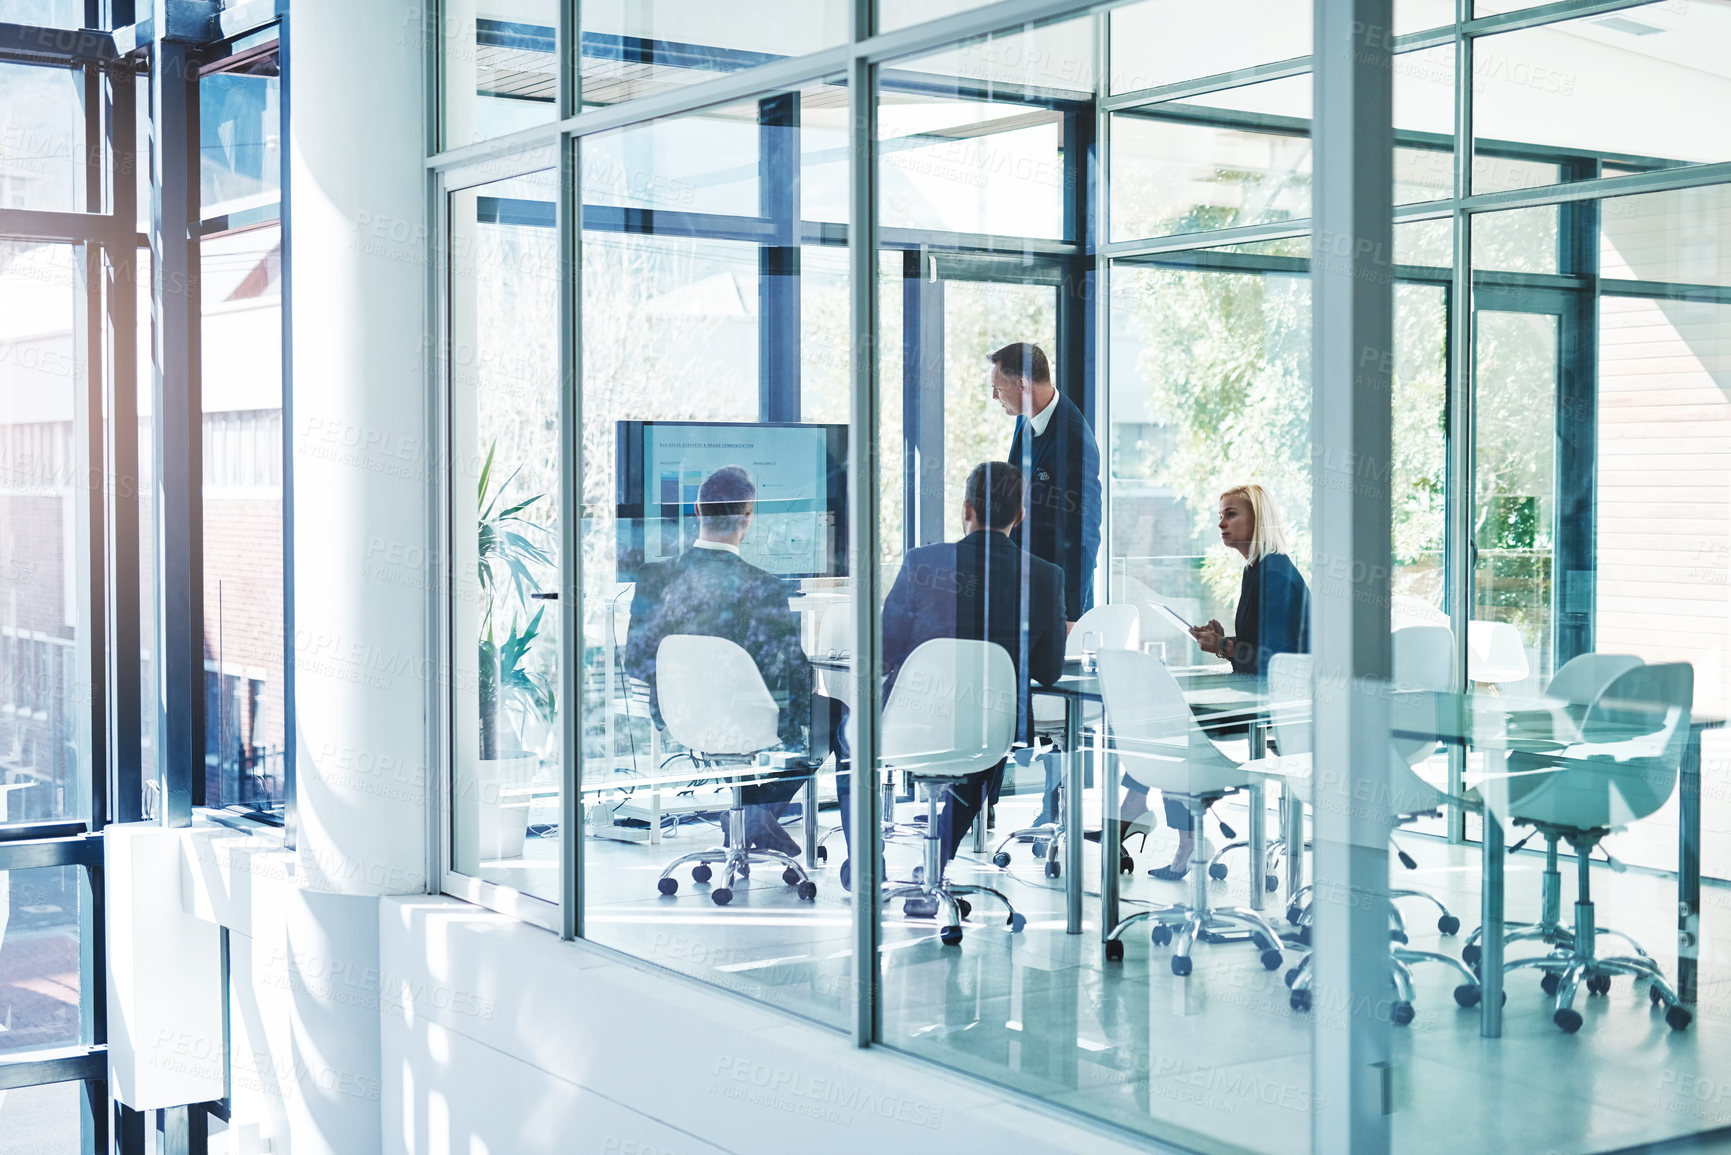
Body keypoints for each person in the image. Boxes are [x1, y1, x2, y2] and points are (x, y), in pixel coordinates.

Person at [835, 462, 1066, 909]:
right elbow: (1049, 671)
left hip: (911, 723)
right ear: (1019, 515)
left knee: (847, 733)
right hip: (989, 732)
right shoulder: (1045, 576)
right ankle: (935, 864)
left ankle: (866, 857)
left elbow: (883, 652)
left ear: (966, 509)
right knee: (981, 752)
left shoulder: (924, 562)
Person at [623, 466, 817, 858]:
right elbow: (793, 674)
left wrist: (681, 693)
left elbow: (635, 659)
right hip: (750, 722)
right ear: (748, 518)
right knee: (833, 717)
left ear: (696, 510)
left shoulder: (654, 576)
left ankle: (750, 818)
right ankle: (756, 815)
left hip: (681, 720)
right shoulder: (764, 586)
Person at [1123, 483, 1310, 880]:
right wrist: (1225, 641)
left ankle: (1145, 812)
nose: (1221, 524)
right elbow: (1263, 648)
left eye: (1231, 514)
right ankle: (1166, 824)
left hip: (1281, 709)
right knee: (1170, 717)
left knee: (1171, 721)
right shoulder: (1258, 569)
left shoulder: (1274, 573)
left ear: (1257, 519)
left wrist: (1224, 645)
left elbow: (1274, 662)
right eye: (1220, 516)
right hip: (1264, 698)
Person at [990, 342, 1102, 627]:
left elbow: (1085, 534)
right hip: (1022, 581)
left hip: (1056, 596)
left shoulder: (1074, 441)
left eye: (999, 389)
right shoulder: (1025, 419)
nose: (994, 396)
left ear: (1023, 384)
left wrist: (1070, 615)